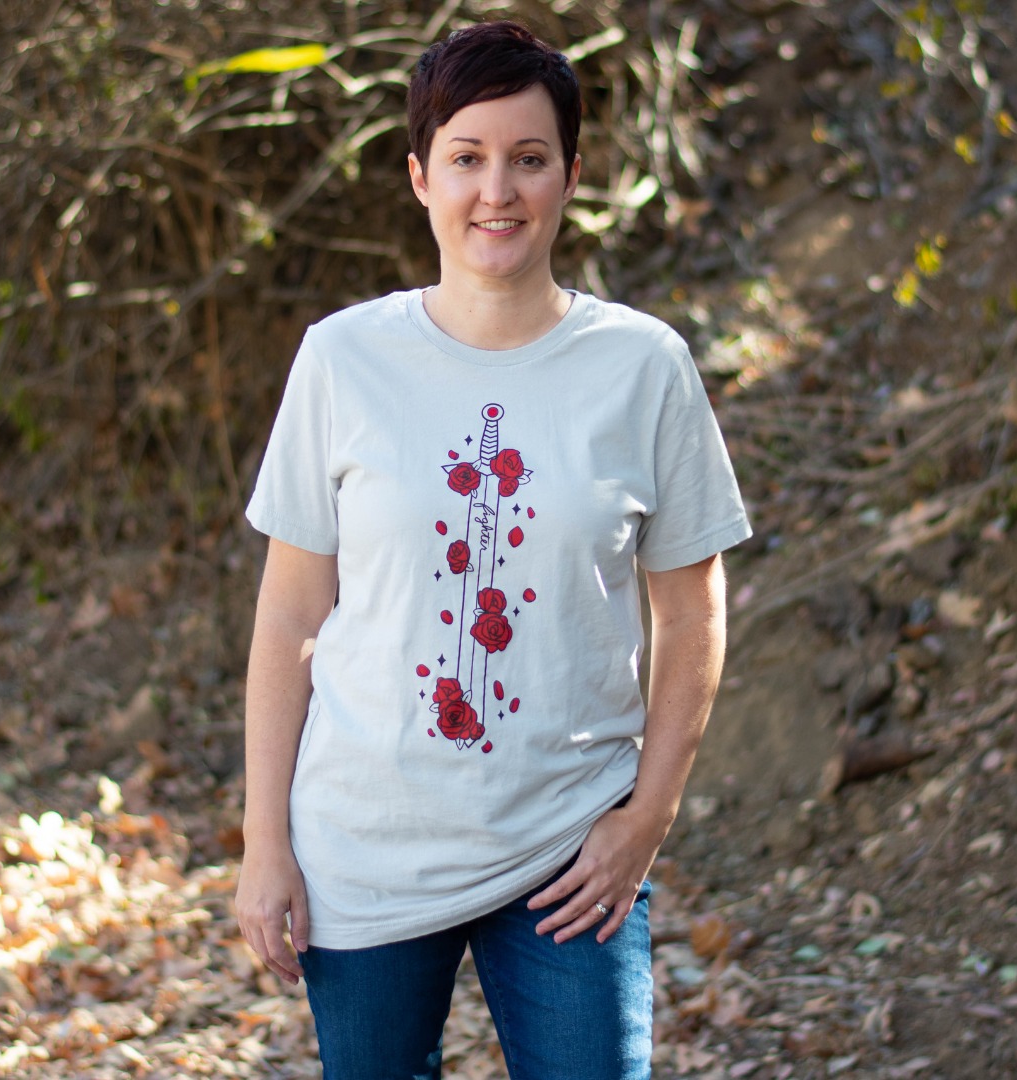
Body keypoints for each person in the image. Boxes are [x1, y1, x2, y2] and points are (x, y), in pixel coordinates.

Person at [235, 19, 751, 1080]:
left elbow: (692, 612)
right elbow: (290, 618)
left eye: (528, 159)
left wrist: (645, 819)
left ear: (571, 176)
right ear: (421, 177)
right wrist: (263, 843)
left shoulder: (643, 367)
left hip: (569, 850)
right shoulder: (343, 359)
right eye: (467, 159)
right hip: (363, 849)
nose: (497, 192)